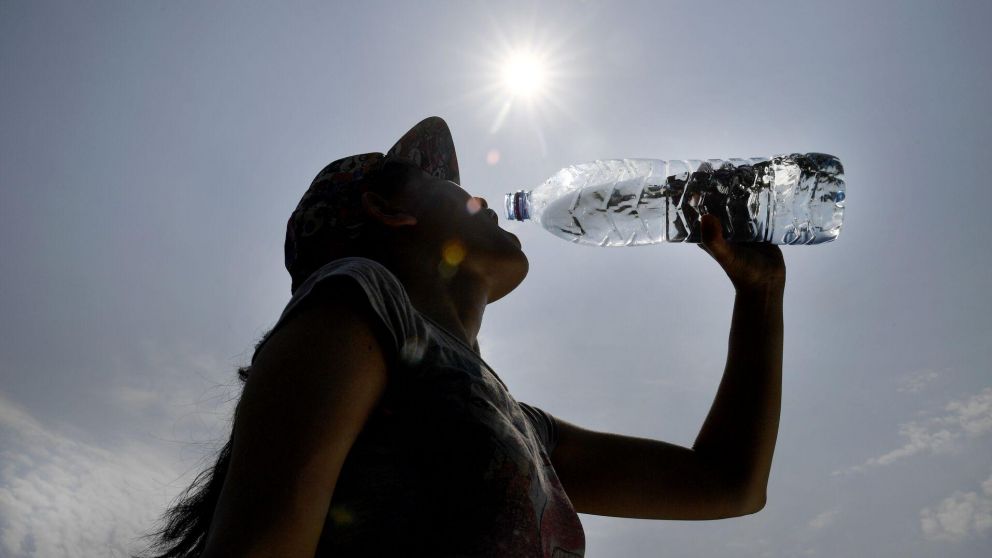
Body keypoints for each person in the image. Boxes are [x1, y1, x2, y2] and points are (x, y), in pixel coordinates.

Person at [140, 116, 784, 558]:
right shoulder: (358, 302)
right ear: (390, 210)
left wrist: (759, 294)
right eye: (453, 189)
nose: (483, 200)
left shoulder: (515, 422)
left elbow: (728, 484)